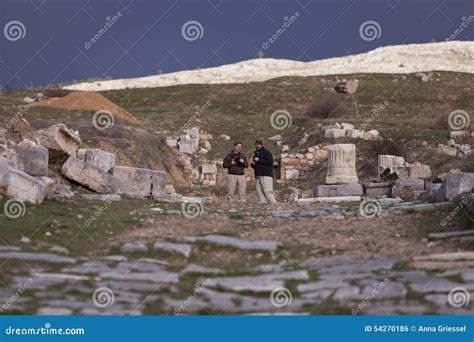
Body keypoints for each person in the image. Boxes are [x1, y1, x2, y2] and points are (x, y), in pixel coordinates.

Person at [251, 139, 277, 204]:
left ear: (261, 145)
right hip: (258, 174)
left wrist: (259, 160)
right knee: (258, 190)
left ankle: (273, 203)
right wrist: (252, 164)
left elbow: (270, 161)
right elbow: (255, 164)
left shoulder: (267, 152)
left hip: (266, 174)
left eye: (259, 145)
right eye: (256, 145)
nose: (257, 146)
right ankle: (262, 201)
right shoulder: (255, 154)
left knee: (267, 190)